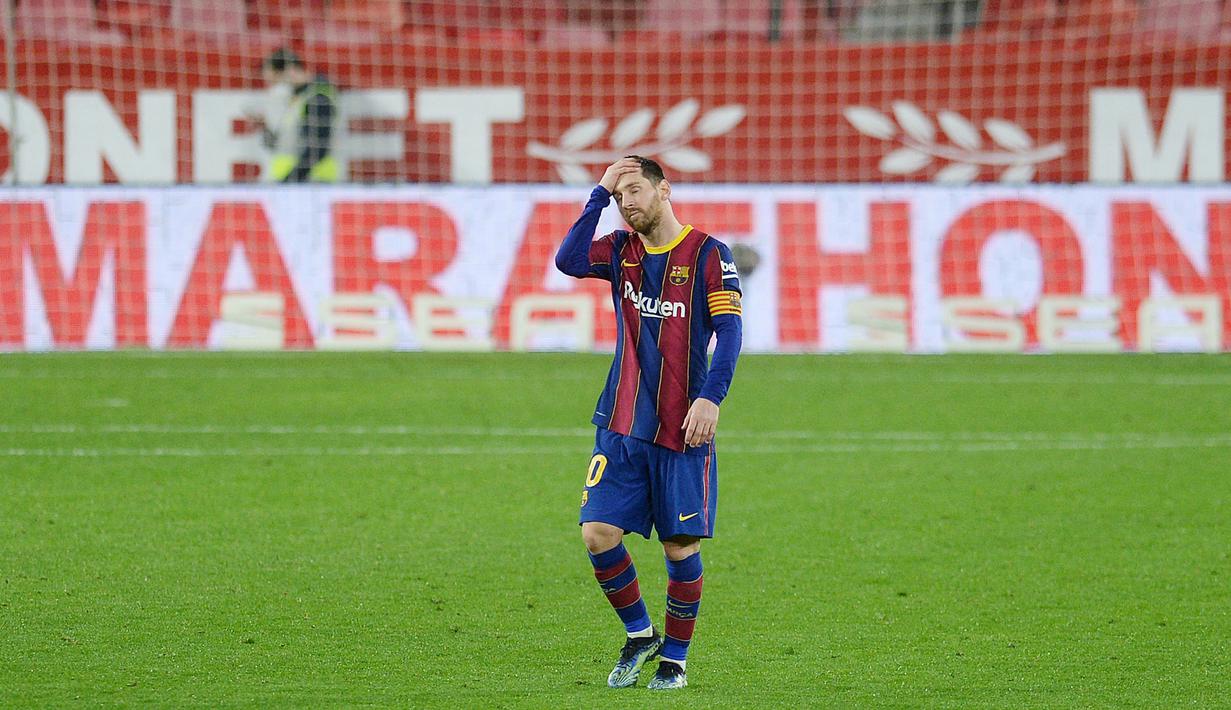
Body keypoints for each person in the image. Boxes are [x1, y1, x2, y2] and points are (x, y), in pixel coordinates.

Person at [555, 156, 743, 690]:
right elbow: (568, 259)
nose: (627, 202)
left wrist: (711, 399)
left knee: (679, 548)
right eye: (620, 196)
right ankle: (640, 634)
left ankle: (675, 661)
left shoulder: (709, 254)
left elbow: (729, 332)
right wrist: (599, 190)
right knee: (597, 533)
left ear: (664, 190)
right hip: (619, 421)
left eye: (635, 190)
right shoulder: (620, 251)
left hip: (681, 427)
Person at [256, 49, 338, 183]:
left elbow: (318, 147)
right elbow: (282, 145)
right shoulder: (297, 99)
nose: (277, 89)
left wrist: (290, 181)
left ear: (290, 70)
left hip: (313, 181)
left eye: (277, 81)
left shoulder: (318, 96)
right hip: (294, 182)